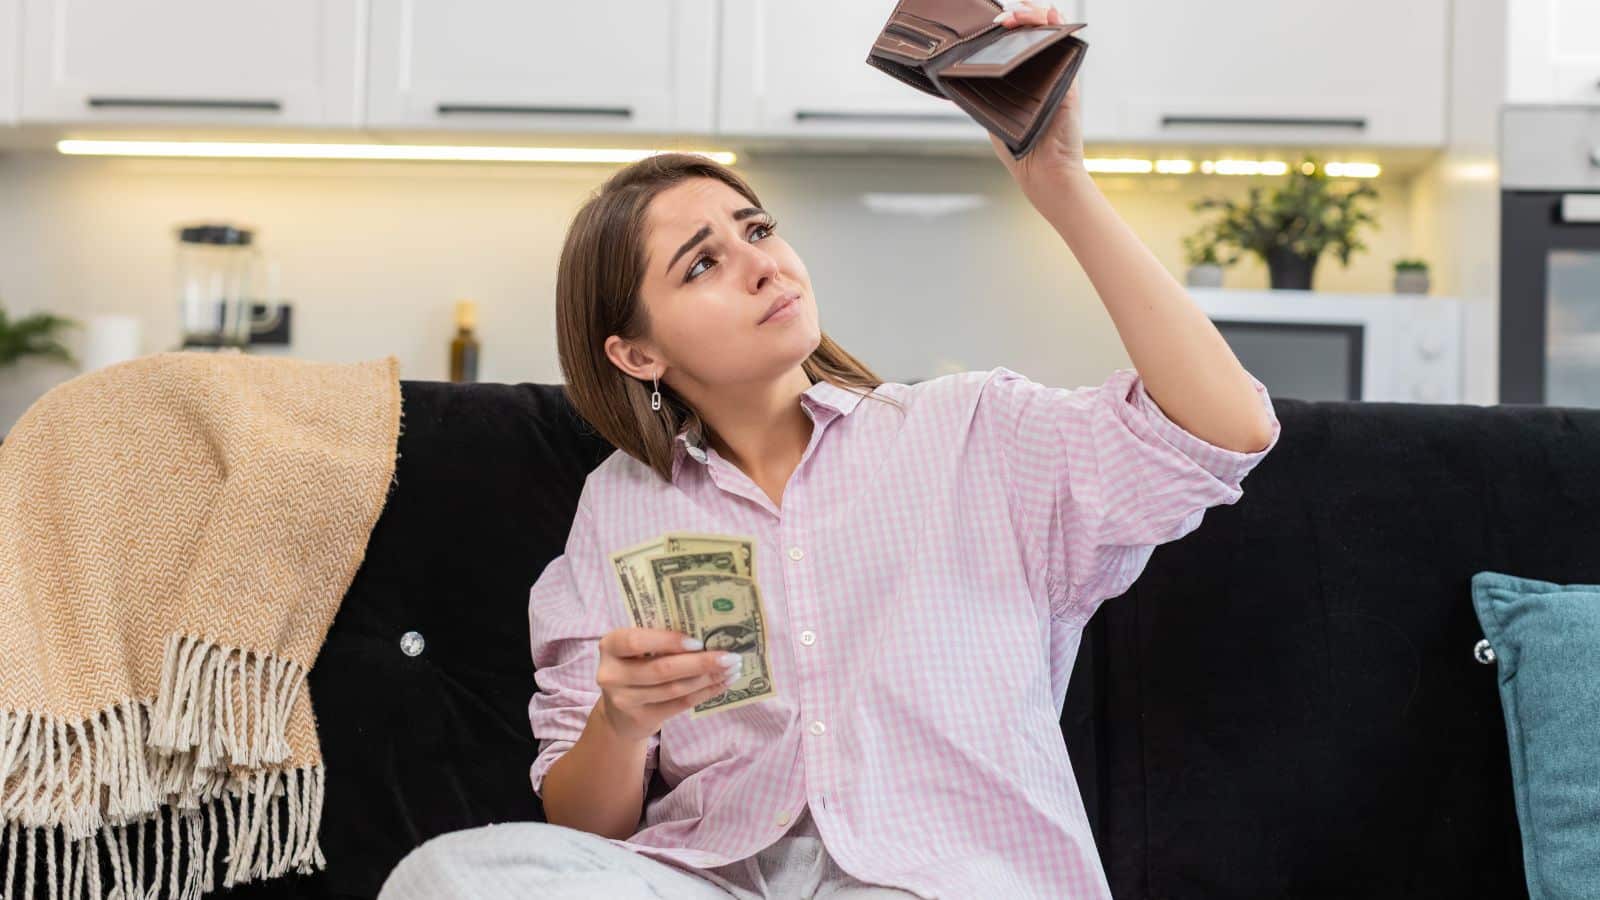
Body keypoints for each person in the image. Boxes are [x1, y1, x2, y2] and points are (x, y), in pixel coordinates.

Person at [377, 2, 1281, 897]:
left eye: (757, 230)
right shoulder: (620, 506)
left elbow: (1224, 430)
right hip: (713, 880)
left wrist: (1060, 182)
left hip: (939, 882)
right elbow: (586, 831)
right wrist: (619, 721)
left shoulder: (969, 433)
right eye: (702, 264)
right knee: (443, 877)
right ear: (637, 355)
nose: (763, 264)